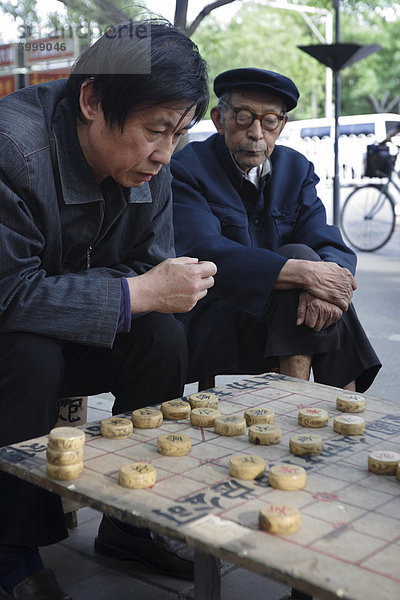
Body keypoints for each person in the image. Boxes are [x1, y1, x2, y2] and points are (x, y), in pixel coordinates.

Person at [0, 19, 217, 599]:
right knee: (29, 347)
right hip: (11, 345)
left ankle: (130, 523)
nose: (164, 154)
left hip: (72, 328)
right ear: (92, 100)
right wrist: (132, 293)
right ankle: (10, 549)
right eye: (155, 129)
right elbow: (8, 293)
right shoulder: (12, 146)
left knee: (163, 337)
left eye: (179, 133)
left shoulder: (151, 164)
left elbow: (150, 263)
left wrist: (138, 294)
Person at [171, 67, 381, 390]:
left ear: (280, 126)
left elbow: (326, 241)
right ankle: (339, 409)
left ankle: (312, 406)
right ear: (218, 119)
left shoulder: (296, 170)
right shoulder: (189, 168)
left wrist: (324, 286)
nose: (257, 133)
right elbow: (204, 251)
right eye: (243, 117)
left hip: (288, 318)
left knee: (309, 271)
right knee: (298, 269)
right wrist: (301, 274)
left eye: (270, 121)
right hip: (220, 322)